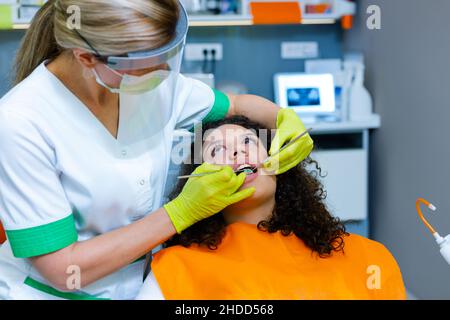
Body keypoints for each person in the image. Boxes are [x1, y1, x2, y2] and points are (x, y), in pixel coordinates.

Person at [0, 0, 313, 300]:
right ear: (85, 58)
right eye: (146, 62)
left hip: (141, 284)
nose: (163, 70)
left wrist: (284, 118)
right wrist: (180, 213)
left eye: (165, 54)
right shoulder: (21, 122)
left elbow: (236, 105)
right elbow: (63, 269)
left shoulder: (152, 82)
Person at [136, 116, 406, 300]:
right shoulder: (177, 270)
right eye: (217, 150)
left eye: (248, 142)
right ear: (198, 182)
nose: (237, 153)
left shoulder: (369, 258)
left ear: (279, 162)